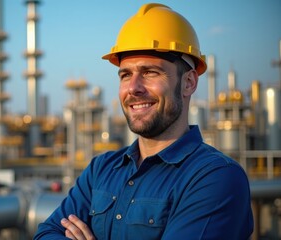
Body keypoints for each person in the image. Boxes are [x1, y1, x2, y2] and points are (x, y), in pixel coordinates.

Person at [34, 3, 254, 239]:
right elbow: (47, 233)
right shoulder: (102, 169)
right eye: (125, 75)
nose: (134, 88)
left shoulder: (215, 177)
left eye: (150, 72)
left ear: (189, 82)